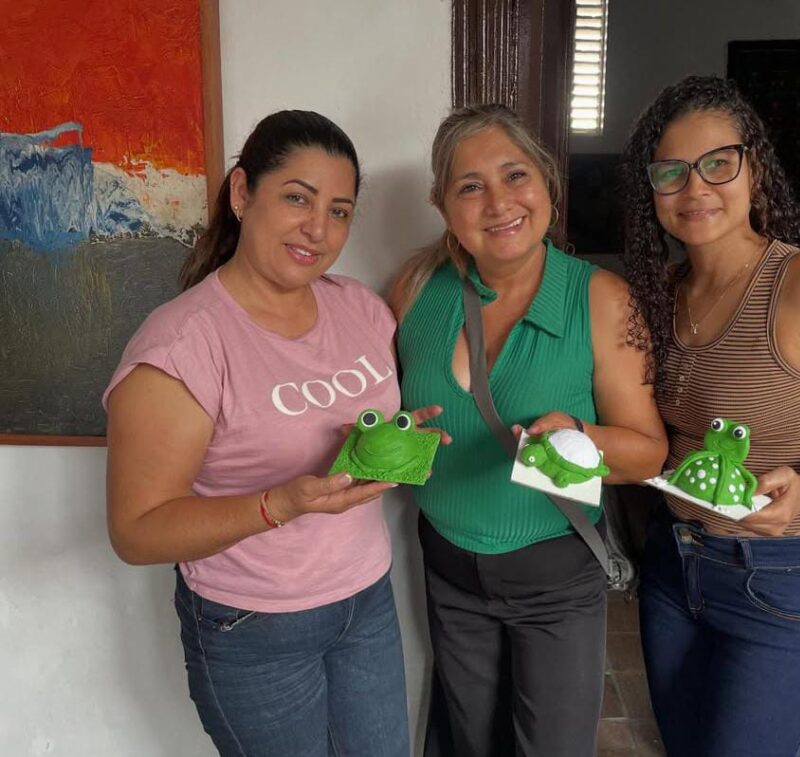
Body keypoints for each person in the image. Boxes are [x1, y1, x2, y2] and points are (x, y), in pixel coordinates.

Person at [104, 110, 434, 757]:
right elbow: (136, 531)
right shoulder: (182, 345)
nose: (319, 229)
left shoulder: (362, 310)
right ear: (241, 192)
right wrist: (278, 504)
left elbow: (358, 431)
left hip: (365, 598)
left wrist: (398, 439)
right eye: (297, 199)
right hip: (253, 624)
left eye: (339, 211)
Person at [621, 77, 800, 756]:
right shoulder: (660, 294)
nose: (695, 188)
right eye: (671, 172)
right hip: (673, 568)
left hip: (779, 579)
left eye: (717, 163)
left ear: (755, 168)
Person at [388, 104, 668, 757]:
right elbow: (381, 416)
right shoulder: (413, 289)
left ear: (547, 181)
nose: (498, 202)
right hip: (448, 570)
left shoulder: (600, 298)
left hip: (556, 577)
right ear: (441, 204)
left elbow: (649, 452)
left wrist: (579, 435)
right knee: (472, 742)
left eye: (515, 175)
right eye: (470, 186)